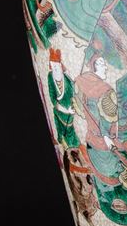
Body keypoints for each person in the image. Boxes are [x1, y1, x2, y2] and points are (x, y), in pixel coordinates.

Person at [75, 48, 121, 182]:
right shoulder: (102, 89)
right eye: (102, 64)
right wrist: (106, 137)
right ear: (94, 66)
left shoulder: (83, 82)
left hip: (95, 139)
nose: (105, 67)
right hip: (101, 143)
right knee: (111, 174)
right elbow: (97, 117)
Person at [47, 48, 79, 149]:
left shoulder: (67, 79)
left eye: (57, 65)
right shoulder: (50, 77)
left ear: (61, 66)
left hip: (70, 109)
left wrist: (72, 106)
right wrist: (65, 110)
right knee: (62, 130)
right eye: (53, 66)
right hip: (59, 110)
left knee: (70, 130)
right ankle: (65, 145)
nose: (55, 68)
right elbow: (52, 98)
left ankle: (74, 146)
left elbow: (74, 90)